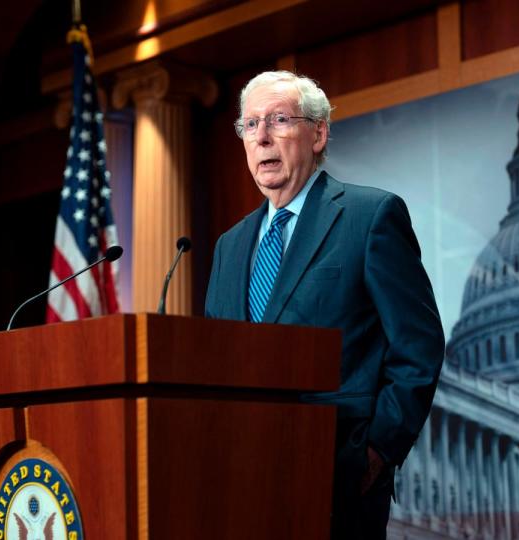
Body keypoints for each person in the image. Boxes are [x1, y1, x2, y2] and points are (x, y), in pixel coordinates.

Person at [204, 71, 445, 539]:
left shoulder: (369, 216)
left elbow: (418, 346)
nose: (263, 137)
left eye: (278, 119)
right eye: (250, 125)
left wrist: (376, 452)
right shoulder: (228, 247)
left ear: (318, 133)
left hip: (338, 479)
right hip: (241, 483)